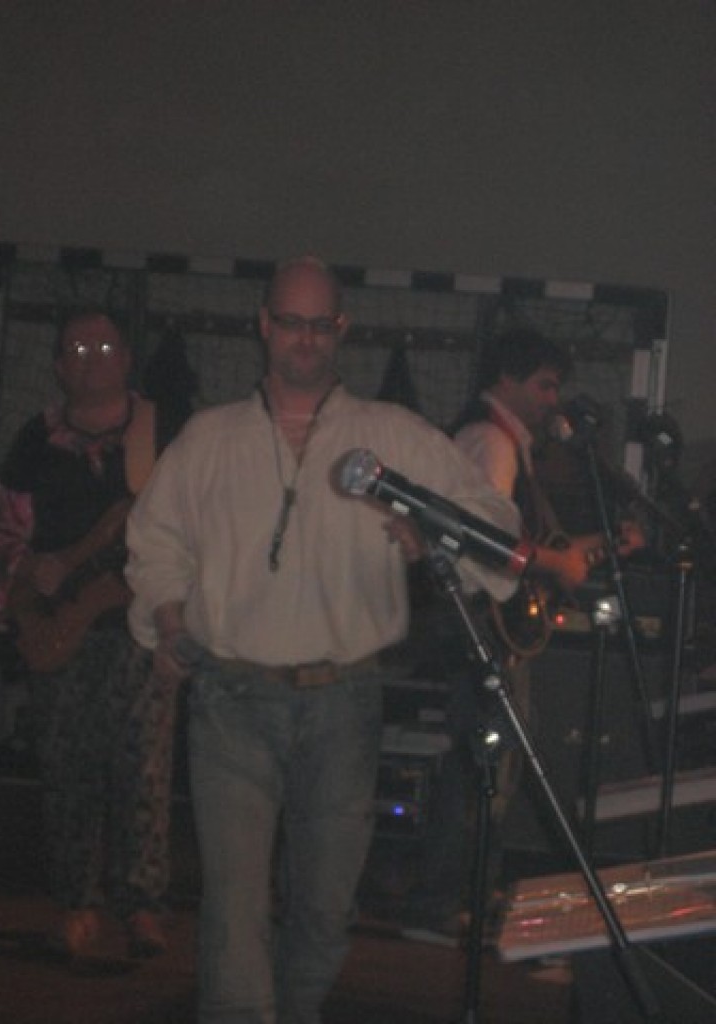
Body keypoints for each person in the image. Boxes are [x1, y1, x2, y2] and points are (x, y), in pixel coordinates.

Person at [124, 256, 523, 1024]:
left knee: (325, 907)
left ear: (340, 329)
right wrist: (170, 619)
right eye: (290, 322)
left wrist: (430, 531)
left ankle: (296, 1010)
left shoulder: (390, 436)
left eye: (319, 324)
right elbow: (156, 541)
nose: (304, 338)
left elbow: (494, 529)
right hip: (231, 700)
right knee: (234, 905)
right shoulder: (209, 438)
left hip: (344, 701)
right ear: (264, 325)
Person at [400, 326, 644, 946]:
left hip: (488, 623)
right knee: (481, 769)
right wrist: (549, 565)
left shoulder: (506, 444)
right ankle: (442, 901)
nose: (551, 400)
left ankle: (459, 896)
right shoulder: (491, 443)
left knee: (488, 767)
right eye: (545, 385)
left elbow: (530, 550)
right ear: (508, 379)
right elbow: (485, 546)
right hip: (480, 625)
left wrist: (601, 546)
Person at [0, 310, 183, 960]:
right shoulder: (36, 440)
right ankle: (77, 902)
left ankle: (142, 905)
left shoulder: (163, 433)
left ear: (127, 358)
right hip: (62, 633)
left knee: (144, 771)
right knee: (67, 770)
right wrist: (31, 567)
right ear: (60, 366)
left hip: (142, 630)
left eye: (105, 346)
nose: (93, 358)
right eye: (79, 349)